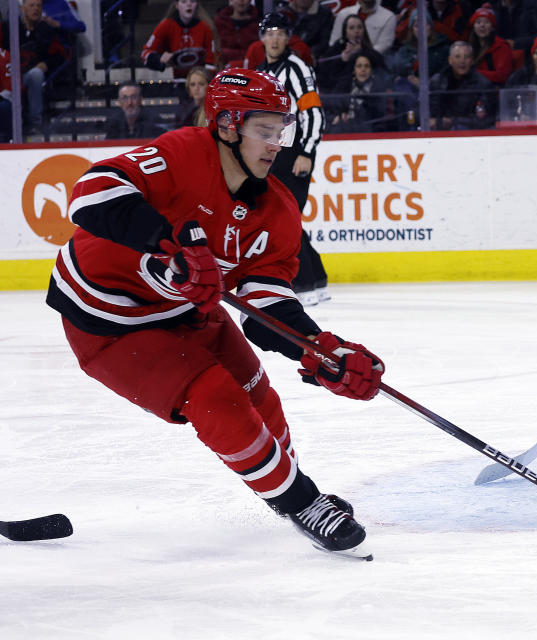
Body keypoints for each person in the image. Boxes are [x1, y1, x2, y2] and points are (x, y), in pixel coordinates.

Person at [45, 68, 383, 557]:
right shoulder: (180, 154)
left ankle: (285, 486)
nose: (276, 145)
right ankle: (301, 501)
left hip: (188, 307)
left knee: (256, 392)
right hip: (109, 319)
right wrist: (168, 245)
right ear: (227, 125)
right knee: (215, 394)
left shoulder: (278, 210)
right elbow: (91, 192)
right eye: (263, 131)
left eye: (280, 131)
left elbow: (265, 301)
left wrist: (320, 350)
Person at [257, 12, 330, 306]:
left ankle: (304, 283)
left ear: (288, 38)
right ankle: (317, 279)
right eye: (269, 32)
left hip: (294, 152)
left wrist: (307, 151)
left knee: (284, 219)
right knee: (285, 218)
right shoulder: (262, 71)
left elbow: (313, 111)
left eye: (280, 32)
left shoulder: (297, 68)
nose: (274, 38)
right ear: (262, 38)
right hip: (274, 155)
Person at [7, 0, 67, 136]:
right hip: (9, 75)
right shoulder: (11, 28)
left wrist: (46, 64)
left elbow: (59, 55)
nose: (36, 9)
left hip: (30, 75)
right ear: (23, 8)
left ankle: (36, 123)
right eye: (31, 5)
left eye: (39, 6)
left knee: (36, 74)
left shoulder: (46, 30)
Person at [428, 40, 495, 130]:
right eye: (457, 57)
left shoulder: (483, 84)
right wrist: (436, 121)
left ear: (472, 61)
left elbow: (486, 120)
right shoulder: (437, 81)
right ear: (450, 60)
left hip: (468, 133)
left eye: (466, 57)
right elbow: (427, 110)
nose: (462, 61)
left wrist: (453, 122)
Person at [141, 0, 217, 79]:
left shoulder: (206, 27)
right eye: (184, 1)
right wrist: (159, 58)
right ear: (176, 5)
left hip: (200, 80)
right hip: (177, 80)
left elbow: (212, 60)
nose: (189, 4)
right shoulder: (166, 25)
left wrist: (207, 79)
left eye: (192, 1)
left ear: (197, 4)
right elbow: (145, 52)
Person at [316, 14, 385, 91]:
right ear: (345, 32)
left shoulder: (370, 53)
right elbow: (324, 76)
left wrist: (360, 52)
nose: (356, 31)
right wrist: (343, 60)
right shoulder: (337, 48)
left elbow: (381, 72)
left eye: (359, 27)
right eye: (352, 28)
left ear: (364, 31)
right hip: (338, 93)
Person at [329, 54, 395, 132]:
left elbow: (380, 115)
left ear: (371, 70)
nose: (363, 69)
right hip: (346, 129)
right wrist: (339, 115)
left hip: (370, 130)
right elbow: (334, 105)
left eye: (366, 66)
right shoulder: (344, 86)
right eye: (359, 66)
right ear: (354, 70)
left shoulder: (379, 89)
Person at [329, 0, 397, 55]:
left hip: (372, 63)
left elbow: (383, 46)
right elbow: (333, 41)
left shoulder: (389, 17)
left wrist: (361, 54)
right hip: (342, 60)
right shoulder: (344, 13)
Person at [468, 4, 513, 86]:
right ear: (473, 27)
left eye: (486, 22)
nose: (482, 26)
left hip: (493, 91)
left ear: (492, 27)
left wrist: (474, 73)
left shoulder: (502, 46)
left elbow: (502, 76)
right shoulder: (468, 47)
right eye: (478, 22)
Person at [214, 0, 260, 67]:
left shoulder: (258, 23)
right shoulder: (219, 22)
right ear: (231, 0)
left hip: (250, 69)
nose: (241, 1)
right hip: (221, 68)